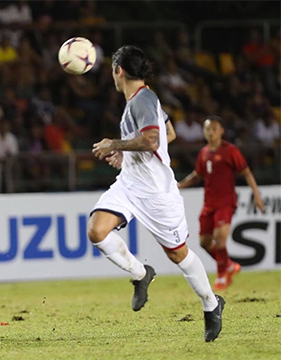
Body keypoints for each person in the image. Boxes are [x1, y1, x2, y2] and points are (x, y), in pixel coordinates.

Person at [89, 46, 224, 342]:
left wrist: (114, 144)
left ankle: (211, 305)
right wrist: (127, 158)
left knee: (178, 254)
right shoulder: (142, 100)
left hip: (156, 193)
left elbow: (152, 141)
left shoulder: (143, 100)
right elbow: (168, 135)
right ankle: (141, 274)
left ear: (119, 71)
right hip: (129, 183)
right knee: (97, 231)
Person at [178, 116, 264, 290]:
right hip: (209, 203)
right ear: (204, 131)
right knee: (204, 242)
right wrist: (179, 185)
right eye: (208, 129)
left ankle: (222, 277)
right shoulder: (203, 153)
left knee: (220, 239)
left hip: (226, 202)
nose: (211, 132)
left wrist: (257, 195)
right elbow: (196, 175)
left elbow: (246, 172)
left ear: (222, 131)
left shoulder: (230, 150)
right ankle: (229, 266)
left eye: (215, 129)